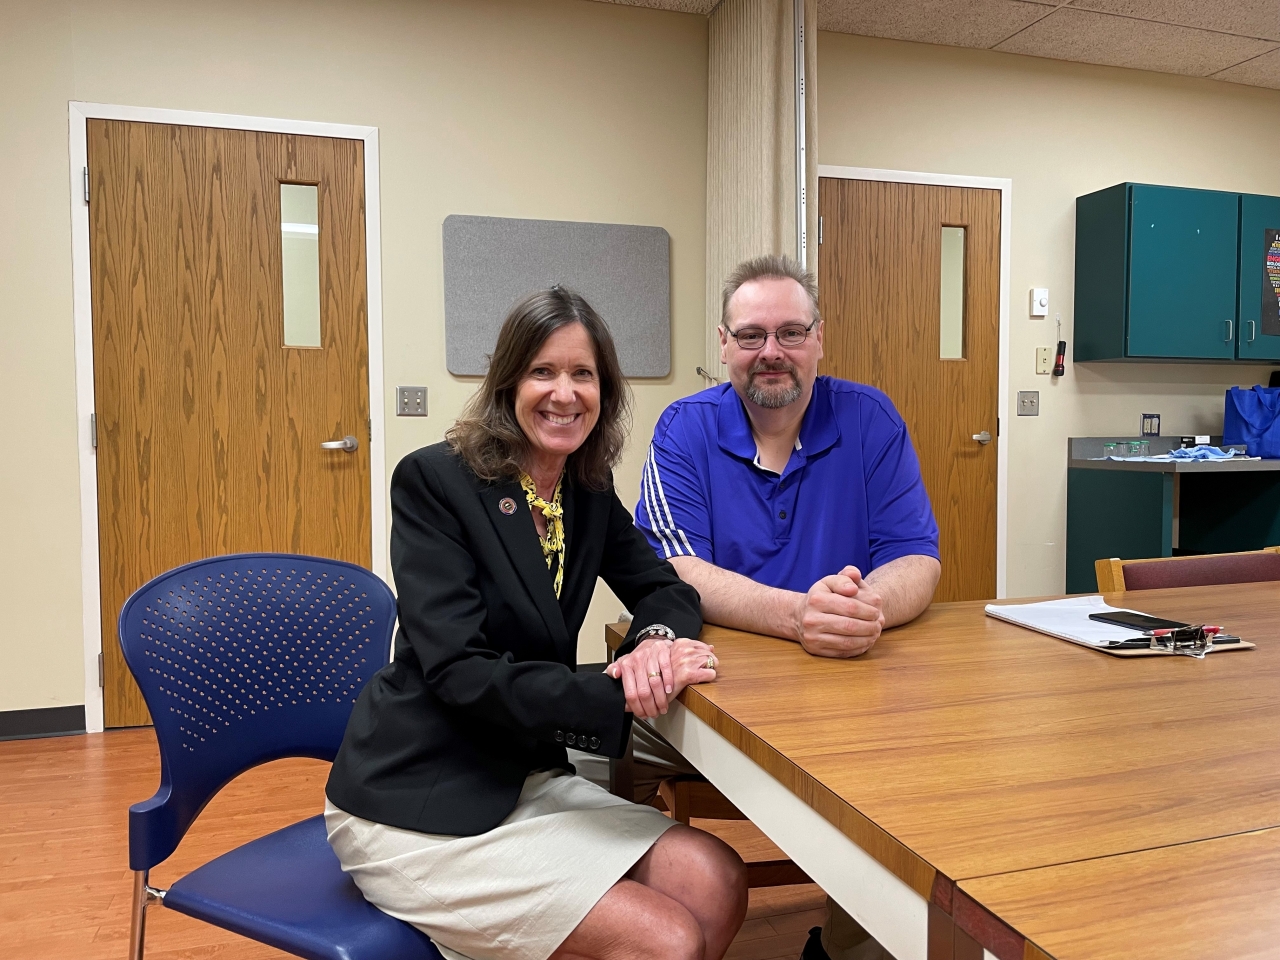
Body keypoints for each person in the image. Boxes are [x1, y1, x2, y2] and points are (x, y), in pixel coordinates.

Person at [325, 286, 748, 960]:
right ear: (508, 383)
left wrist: (654, 647)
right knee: (665, 939)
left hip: (521, 777)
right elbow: (459, 671)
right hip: (418, 794)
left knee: (719, 881)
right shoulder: (436, 483)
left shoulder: (586, 489)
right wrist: (616, 692)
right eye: (542, 371)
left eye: (583, 374)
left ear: (604, 390)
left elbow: (664, 588)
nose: (564, 393)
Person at [635, 254, 942, 960]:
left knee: (923, 773)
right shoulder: (683, 428)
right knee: (596, 745)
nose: (770, 352)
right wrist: (799, 615)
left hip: (851, 687)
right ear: (723, 345)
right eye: (750, 336)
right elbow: (674, 567)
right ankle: (644, 912)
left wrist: (864, 610)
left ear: (819, 339)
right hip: (714, 689)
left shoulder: (871, 419)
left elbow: (916, 557)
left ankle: (846, 943)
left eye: (790, 332)